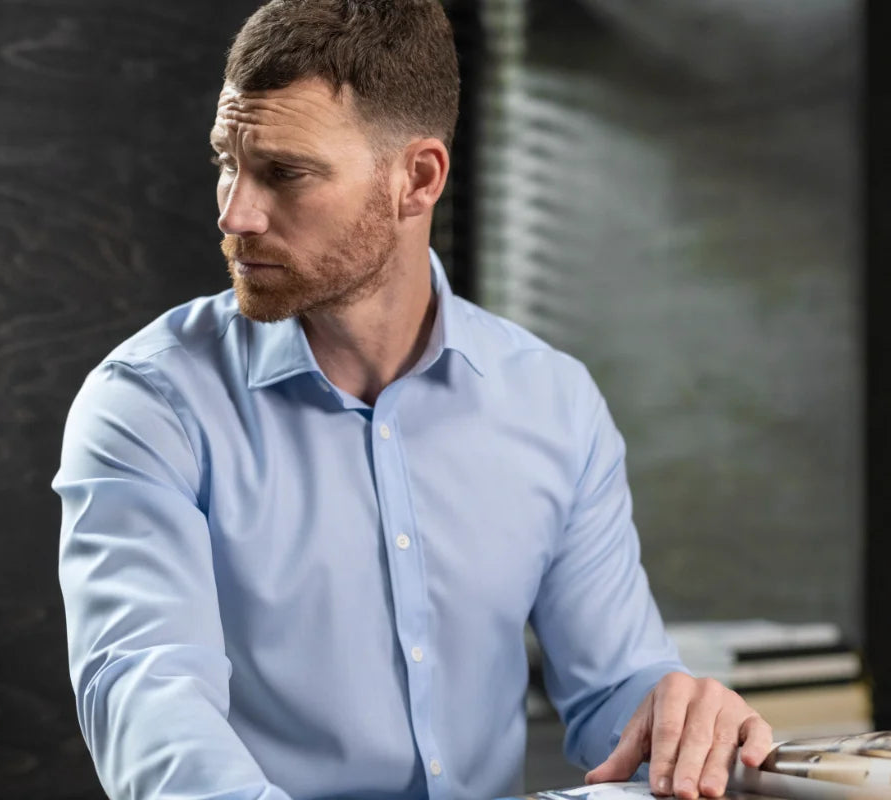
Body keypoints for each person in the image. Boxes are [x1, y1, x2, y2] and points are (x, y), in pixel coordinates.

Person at [53, 2, 773, 799]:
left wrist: (678, 718)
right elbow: (152, 705)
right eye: (229, 159)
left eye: (285, 173)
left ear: (419, 178)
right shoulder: (149, 404)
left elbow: (614, 694)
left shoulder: (553, 403)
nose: (235, 213)